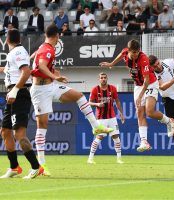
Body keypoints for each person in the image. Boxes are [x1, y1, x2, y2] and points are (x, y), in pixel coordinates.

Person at [30, 24, 113, 176]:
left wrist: (54, 76)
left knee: (79, 96)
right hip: (40, 91)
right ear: (57, 36)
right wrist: (55, 76)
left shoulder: (44, 47)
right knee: (42, 127)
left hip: (51, 86)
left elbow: (40, 64)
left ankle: (96, 127)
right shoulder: (47, 49)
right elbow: (41, 66)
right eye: (59, 35)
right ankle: (41, 165)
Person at [100, 39, 174, 152]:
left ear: (139, 50)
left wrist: (140, 96)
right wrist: (111, 64)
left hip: (150, 84)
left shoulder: (143, 59)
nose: (135, 54)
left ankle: (169, 121)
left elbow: (146, 80)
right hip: (138, 85)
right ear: (129, 50)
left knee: (149, 111)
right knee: (140, 112)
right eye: (133, 52)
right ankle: (144, 141)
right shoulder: (126, 52)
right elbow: (121, 54)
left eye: (137, 52)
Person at [0, 29, 43, 179]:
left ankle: (36, 167)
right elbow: (7, 70)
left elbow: (26, 72)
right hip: (12, 94)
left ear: (7, 39)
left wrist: (15, 90)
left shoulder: (18, 52)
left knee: (19, 134)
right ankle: (14, 167)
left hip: (19, 94)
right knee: (5, 131)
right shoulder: (14, 53)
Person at [88, 72, 125, 164]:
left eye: (105, 77)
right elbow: (89, 103)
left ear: (107, 78)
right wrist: (97, 104)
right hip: (101, 118)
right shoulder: (95, 89)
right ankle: (90, 158)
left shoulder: (112, 88)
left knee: (116, 137)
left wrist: (121, 113)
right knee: (99, 137)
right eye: (101, 77)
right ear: (99, 79)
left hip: (112, 117)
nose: (103, 79)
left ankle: (119, 159)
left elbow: (117, 101)